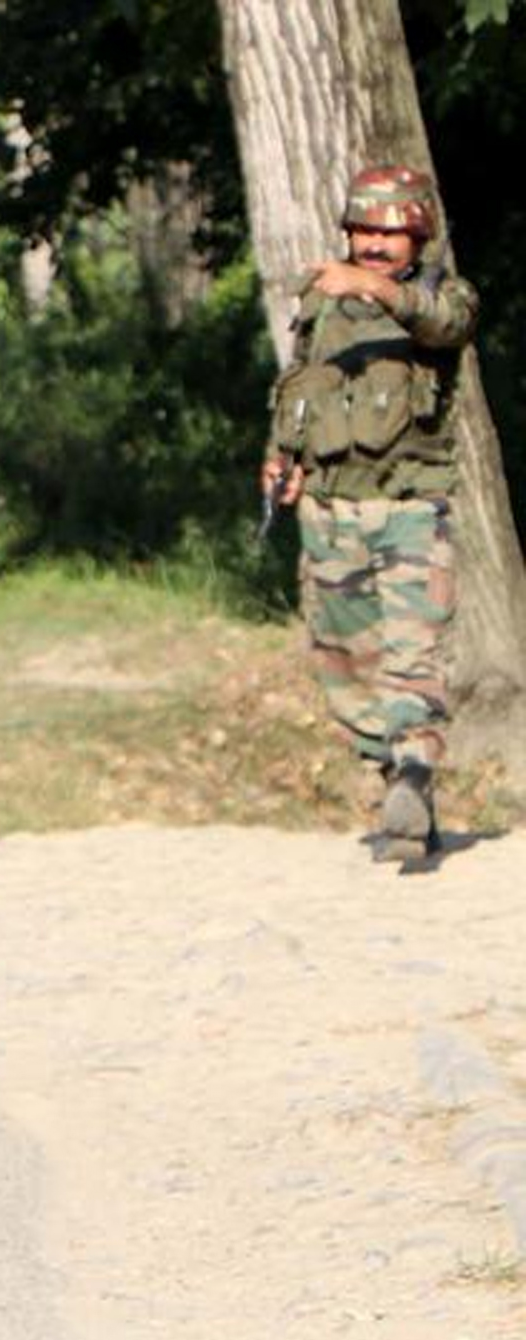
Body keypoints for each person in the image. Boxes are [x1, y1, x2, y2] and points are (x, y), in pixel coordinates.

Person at [260, 163, 481, 866]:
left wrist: (376, 289)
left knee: (414, 655)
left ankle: (415, 768)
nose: (376, 243)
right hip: (329, 507)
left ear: (418, 236)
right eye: (364, 229)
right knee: (342, 661)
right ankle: (400, 786)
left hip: (411, 507)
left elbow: (446, 328)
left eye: (391, 232)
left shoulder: (438, 296)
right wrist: (281, 456)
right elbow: (300, 382)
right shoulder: (323, 302)